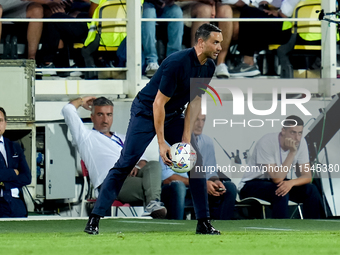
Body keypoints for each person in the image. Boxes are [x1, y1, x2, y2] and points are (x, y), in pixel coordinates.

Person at [84, 23, 223, 235]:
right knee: (126, 163)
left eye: (220, 43)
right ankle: (94, 218)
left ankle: (203, 222)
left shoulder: (209, 66)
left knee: (197, 161)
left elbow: (195, 102)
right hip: (145, 112)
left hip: (173, 114)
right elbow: (158, 104)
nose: (220, 47)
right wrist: (161, 143)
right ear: (201, 42)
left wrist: (186, 138)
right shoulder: (176, 63)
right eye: (216, 42)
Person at [62, 96, 166, 218]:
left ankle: (153, 203)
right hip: (111, 183)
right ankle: (154, 203)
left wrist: (135, 165)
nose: (105, 119)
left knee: (154, 165)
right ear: (92, 117)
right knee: (162, 189)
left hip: (131, 177)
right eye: (100, 114)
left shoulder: (122, 138)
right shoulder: (86, 137)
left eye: (109, 114)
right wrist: (81, 101)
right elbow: (68, 110)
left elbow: (143, 159)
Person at [238, 115, 324, 219]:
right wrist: (292, 153)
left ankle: (314, 230)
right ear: (283, 131)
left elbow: (307, 176)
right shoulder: (267, 142)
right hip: (251, 184)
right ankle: (281, 230)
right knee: (280, 191)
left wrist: (291, 183)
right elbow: (277, 178)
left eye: (300, 133)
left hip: (277, 182)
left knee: (311, 189)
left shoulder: (302, 143)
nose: (297, 138)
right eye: (293, 132)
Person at [161, 113, 237, 219]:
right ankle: (177, 227)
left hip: (202, 186)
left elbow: (211, 172)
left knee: (229, 187)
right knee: (178, 187)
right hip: (179, 188)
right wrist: (203, 184)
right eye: (197, 120)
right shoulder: (171, 141)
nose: (200, 124)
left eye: (203, 120)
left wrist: (215, 181)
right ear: (187, 121)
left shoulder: (207, 142)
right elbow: (167, 178)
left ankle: (222, 227)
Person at [229, 0, 300, 77]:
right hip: (300, 32)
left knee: (248, 12)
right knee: (256, 15)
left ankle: (247, 63)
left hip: (289, 32)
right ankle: (249, 61)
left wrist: (278, 12)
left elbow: (284, 13)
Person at [0, 107, 32, 217]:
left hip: (17, 205)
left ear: (5, 123)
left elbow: (27, 177)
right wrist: (13, 173)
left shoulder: (15, 146)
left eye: (0, 120)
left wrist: (5, 183)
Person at [142, 0, 184, 77]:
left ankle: (173, 62)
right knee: (149, 13)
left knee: (176, 12)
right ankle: (151, 61)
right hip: (148, 3)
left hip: (166, 5)